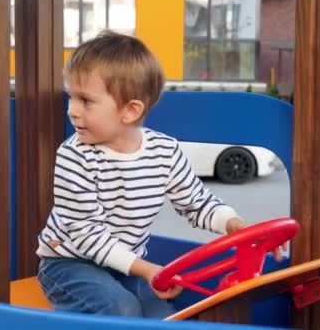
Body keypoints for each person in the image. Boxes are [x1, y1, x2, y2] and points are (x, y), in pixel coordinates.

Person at [36, 31, 283, 318]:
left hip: (123, 265)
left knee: (162, 316)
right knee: (121, 309)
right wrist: (145, 269)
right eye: (71, 98)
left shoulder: (164, 151)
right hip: (68, 264)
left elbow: (196, 202)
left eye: (85, 101)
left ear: (129, 111)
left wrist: (234, 224)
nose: (72, 112)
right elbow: (86, 234)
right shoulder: (74, 156)